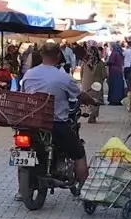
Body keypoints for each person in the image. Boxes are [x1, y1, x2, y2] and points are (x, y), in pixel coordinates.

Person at [21, 42, 92, 187]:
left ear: (41, 55)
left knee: (23, 152)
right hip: (56, 124)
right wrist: (94, 101)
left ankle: (21, 190)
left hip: (31, 123)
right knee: (79, 153)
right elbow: (80, 95)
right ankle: (86, 191)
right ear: (58, 56)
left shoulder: (29, 74)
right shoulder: (63, 77)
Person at [79, 48, 105, 122]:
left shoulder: (84, 63)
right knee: (96, 100)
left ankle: (89, 113)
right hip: (97, 84)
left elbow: (81, 73)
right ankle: (93, 116)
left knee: (88, 99)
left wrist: (83, 80)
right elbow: (104, 75)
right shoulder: (100, 63)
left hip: (86, 84)